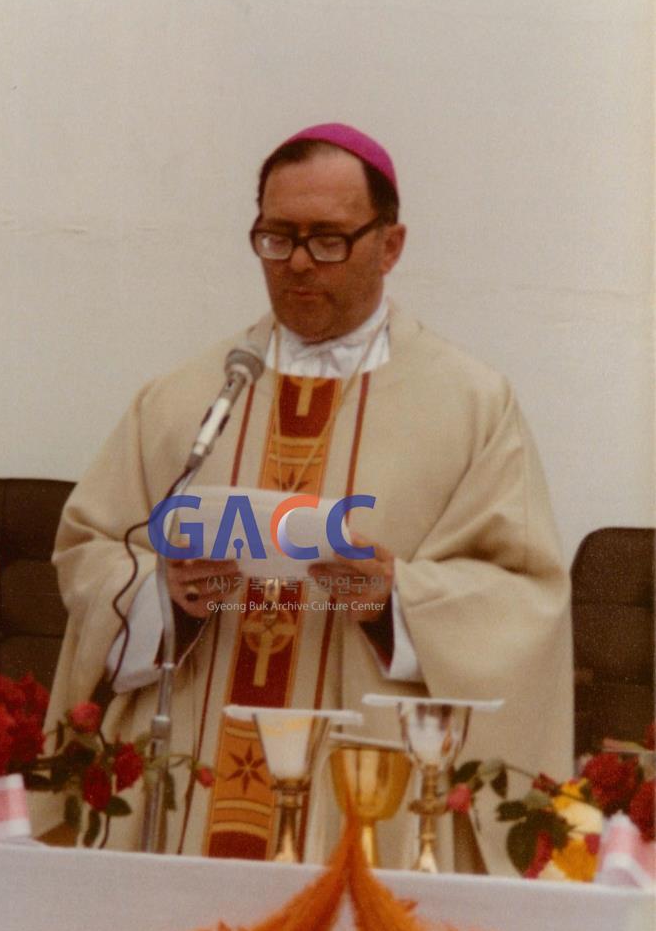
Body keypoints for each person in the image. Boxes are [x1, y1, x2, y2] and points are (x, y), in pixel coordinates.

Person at [30, 123, 573, 873]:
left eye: (327, 240)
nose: (296, 264)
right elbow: (91, 552)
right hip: (192, 764)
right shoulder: (187, 399)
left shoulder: (472, 405)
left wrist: (397, 601)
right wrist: (163, 597)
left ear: (391, 245)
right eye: (276, 237)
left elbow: (524, 597)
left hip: (369, 781)